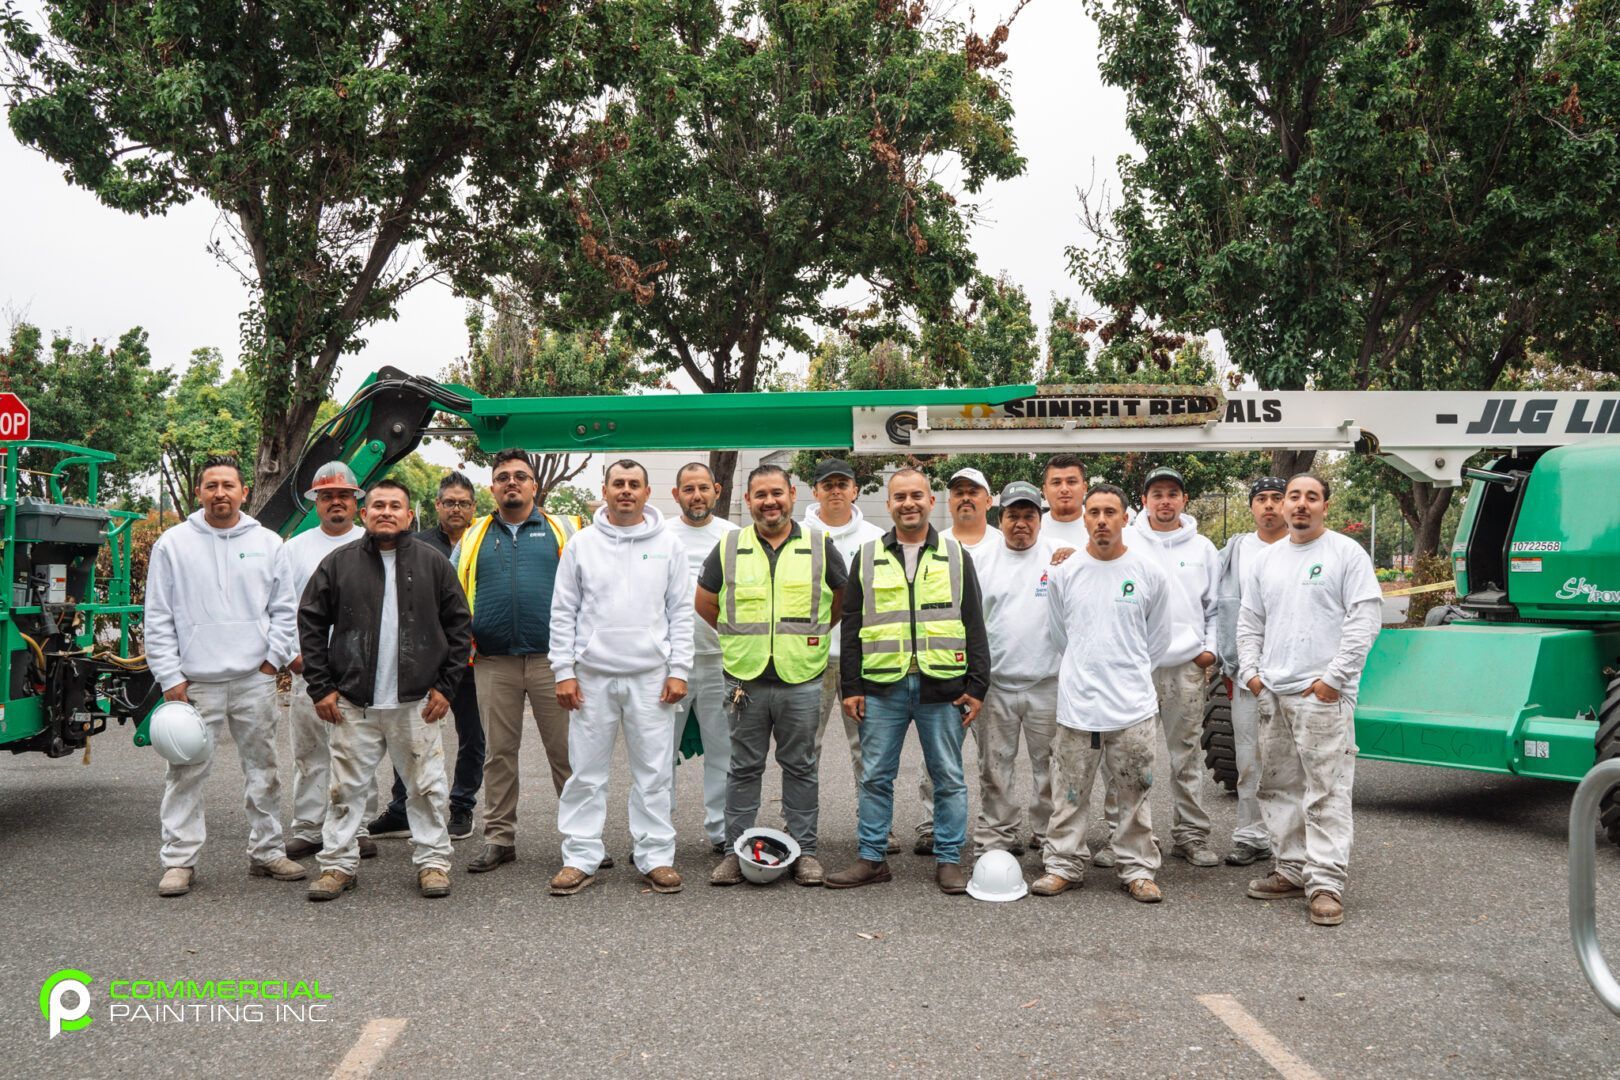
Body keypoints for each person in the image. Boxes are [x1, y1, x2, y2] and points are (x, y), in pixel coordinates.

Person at [300, 478, 472, 901]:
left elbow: (460, 626)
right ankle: (338, 866)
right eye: (378, 505)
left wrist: (447, 686)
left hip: (416, 702)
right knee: (344, 789)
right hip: (353, 701)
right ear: (365, 514)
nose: (386, 512)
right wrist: (320, 687)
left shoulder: (434, 563)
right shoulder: (339, 563)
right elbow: (311, 621)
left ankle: (433, 862)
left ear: (410, 515)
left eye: (395, 505)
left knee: (426, 786)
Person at [826, 467, 990, 895]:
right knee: (876, 776)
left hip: (944, 687)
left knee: (948, 777)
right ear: (890, 503)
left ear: (930, 501)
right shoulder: (867, 556)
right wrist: (851, 686)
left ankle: (949, 859)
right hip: (883, 686)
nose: (909, 503)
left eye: (916, 495)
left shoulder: (956, 557)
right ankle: (872, 858)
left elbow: (973, 622)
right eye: (900, 497)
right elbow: (851, 624)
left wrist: (977, 686)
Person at [146, 456, 302, 897]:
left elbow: (283, 610)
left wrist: (272, 660)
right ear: (199, 493)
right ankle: (179, 860)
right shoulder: (173, 544)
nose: (220, 493)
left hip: (255, 678)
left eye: (228, 485)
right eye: (211, 485)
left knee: (264, 769)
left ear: (244, 492)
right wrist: (169, 677)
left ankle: (268, 852)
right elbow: (157, 616)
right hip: (195, 684)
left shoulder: (269, 542)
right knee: (186, 772)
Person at [1237, 472, 1381, 927]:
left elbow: (1365, 620)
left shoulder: (1345, 553)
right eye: (1294, 497)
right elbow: (1250, 619)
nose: (1300, 504)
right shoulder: (1267, 560)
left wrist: (1333, 680)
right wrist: (1252, 673)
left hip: (1321, 697)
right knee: (1277, 786)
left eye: (1311, 497)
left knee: (1327, 792)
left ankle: (1325, 884)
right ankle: (1291, 868)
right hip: (1273, 693)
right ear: (1282, 507)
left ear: (1325, 506)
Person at [696, 464, 847, 888]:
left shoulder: (820, 546)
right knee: (743, 767)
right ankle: (733, 850)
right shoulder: (729, 547)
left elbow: (842, 601)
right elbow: (705, 602)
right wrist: (738, 638)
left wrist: (813, 635)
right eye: (760, 494)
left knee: (800, 765)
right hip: (744, 677)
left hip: (801, 676)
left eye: (776, 493)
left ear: (792, 494)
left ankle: (806, 851)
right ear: (748, 501)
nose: (769, 502)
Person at [548, 460, 694, 896]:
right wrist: (563, 671)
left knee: (653, 773)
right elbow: (563, 610)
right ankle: (580, 857)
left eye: (634, 484)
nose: (626, 491)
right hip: (591, 678)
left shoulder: (669, 544)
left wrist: (679, 669)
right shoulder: (582, 544)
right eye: (618, 484)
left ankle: (656, 857)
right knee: (586, 774)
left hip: (651, 678)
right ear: (605, 490)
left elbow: (681, 611)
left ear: (648, 493)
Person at [1036, 483, 1172, 903]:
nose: (1100, 520)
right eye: (1093, 512)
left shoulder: (1148, 572)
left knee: (1133, 793)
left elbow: (1158, 641)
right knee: (1069, 794)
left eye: (1109, 512)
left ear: (1125, 517)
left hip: (1132, 706)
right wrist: (1089, 669)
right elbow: (1061, 635)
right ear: (1083, 518)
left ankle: (1136, 870)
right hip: (1077, 706)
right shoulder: (1064, 572)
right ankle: (1063, 865)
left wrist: (1124, 673)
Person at [451, 449, 585, 874]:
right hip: (492, 661)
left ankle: (581, 842)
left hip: (554, 662)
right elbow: (452, 596)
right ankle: (499, 838)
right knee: (499, 755)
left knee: (566, 753)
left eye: (520, 476)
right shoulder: (473, 535)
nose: (512, 482)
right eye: (503, 477)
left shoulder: (564, 530)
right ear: (492, 488)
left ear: (534, 486)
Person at [369, 472, 485, 843]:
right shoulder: (415, 544)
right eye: (449, 502)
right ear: (437, 505)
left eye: (463, 502)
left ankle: (462, 806)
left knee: (472, 735)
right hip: (422, 658)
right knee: (408, 736)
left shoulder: (483, 542)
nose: (456, 508)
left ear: (473, 508)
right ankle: (402, 809)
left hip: (472, 658)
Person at [1126, 465, 1222, 867]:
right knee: (1132, 755)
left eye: (1172, 493)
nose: (1165, 500)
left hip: (1185, 666)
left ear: (1184, 500)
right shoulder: (1127, 541)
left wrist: (1209, 651)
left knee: (1185, 756)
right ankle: (1130, 837)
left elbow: (1215, 608)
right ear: (1144, 500)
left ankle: (1190, 835)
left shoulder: (1203, 549)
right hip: (1136, 668)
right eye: (1157, 493)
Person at [801, 458, 893, 852]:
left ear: (856, 490)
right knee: (804, 749)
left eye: (843, 483)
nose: (835, 490)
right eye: (827, 484)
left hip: (862, 658)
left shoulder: (876, 538)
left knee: (868, 749)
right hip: (809, 659)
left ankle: (876, 827)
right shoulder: (796, 535)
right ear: (815, 491)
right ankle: (799, 827)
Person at [281, 461, 371, 862]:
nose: (336, 502)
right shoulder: (294, 550)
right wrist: (293, 657)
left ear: (356, 501)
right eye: (328, 496)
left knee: (358, 752)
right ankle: (308, 828)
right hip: (310, 668)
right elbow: (279, 609)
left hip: (362, 669)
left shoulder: (375, 544)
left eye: (344, 495)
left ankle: (359, 826)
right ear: (316, 502)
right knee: (311, 753)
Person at [970, 481, 1060, 857]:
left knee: (1052, 767)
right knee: (994, 768)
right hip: (996, 685)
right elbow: (970, 625)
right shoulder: (980, 562)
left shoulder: (1060, 559)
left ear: (1040, 519)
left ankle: (1049, 832)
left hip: (1048, 682)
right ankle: (998, 835)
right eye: (1012, 516)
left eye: (1028, 516)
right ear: (1000, 517)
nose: (1020, 524)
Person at [1214, 476, 1289, 866]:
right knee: (1249, 761)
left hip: (1297, 678)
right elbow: (1218, 604)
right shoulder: (1236, 551)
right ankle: (1250, 836)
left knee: (1295, 763)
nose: (1270, 506)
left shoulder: (1306, 547)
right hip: (1247, 675)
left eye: (1278, 498)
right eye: (1262, 499)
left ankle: (1294, 842)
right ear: (1252, 506)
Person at [669, 462, 739, 853]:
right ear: (677, 493)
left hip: (721, 662)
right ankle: (656, 835)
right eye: (688, 489)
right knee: (660, 754)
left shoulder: (733, 535)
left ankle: (722, 832)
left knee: (723, 751)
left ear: (716, 490)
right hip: (672, 664)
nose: (696, 496)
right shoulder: (661, 534)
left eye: (703, 488)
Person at [1040, 454, 1088, 548]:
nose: (1064, 489)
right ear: (1045, 491)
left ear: (1084, 488)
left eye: (1071, 482)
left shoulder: (1107, 527)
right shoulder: (1032, 529)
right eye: (1056, 482)